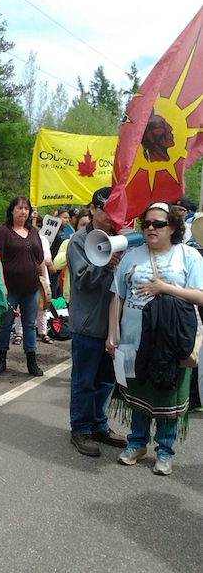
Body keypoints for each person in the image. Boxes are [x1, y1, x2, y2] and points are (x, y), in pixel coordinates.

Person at [107, 201, 203, 475]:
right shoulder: (131, 256)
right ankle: (137, 442)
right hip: (134, 339)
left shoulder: (189, 256)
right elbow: (118, 296)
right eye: (146, 223)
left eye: (157, 224)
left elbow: (200, 295)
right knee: (139, 390)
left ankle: (165, 450)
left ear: (172, 227)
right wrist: (111, 334)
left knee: (167, 393)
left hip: (171, 341)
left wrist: (166, 288)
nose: (150, 228)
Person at [67, 187, 127, 457]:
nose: (108, 215)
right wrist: (106, 264)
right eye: (104, 209)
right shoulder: (79, 240)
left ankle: (99, 424)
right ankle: (80, 429)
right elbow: (82, 280)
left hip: (113, 326)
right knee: (84, 380)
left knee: (105, 380)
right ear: (92, 208)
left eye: (113, 210)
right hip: (87, 325)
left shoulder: (121, 238)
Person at [0, 196, 45, 377]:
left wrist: (45, 283)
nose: (23, 212)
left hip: (32, 287)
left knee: (30, 324)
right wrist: (1, 283)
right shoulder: (3, 232)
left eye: (26, 209)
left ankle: (32, 361)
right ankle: (1, 360)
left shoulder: (34, 232)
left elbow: (41, 259)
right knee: (6, 323)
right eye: (20, 208)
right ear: (12, 210)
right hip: (10, 287)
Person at [13, 216, 54, 345]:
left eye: (39, 225)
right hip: (22, 278)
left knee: (42, 307)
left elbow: (47, 258)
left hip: (40, 278)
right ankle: (19, 333)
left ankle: (43, 332)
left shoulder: (43, 240)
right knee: (19, 308)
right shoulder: (17, 237)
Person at [53, 208, 90, 303]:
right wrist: (72, 247)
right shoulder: (68, 243)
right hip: (72, 296)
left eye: (89, 225)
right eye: (83, 225)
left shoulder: (98, 244)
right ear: (76, 227)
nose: (86, 229)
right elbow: (57, 264)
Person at [50, 208, 72, 298]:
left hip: (63, 267)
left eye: (68, 218)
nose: (66, 220)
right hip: (53, 265)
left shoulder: (67, 232)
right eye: (64, 217)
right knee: (53, 290)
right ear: (57, 217)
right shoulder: (52, 231)